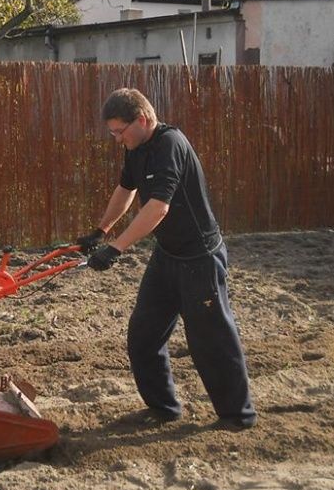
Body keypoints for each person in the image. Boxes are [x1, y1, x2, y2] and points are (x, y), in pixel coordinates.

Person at [76, 88, 257, 429]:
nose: (117, 139)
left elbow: (158, 208)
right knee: (143, 334)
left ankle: (237, 416)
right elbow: (126, 190)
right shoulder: (136, 147)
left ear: (141, 120)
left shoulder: (170, 145)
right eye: (112, 132)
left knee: (210, 340)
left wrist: (116, 249)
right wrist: (101, 231)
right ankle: (164, 408)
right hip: (168, 256)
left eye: (120, 131)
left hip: (200, 257)